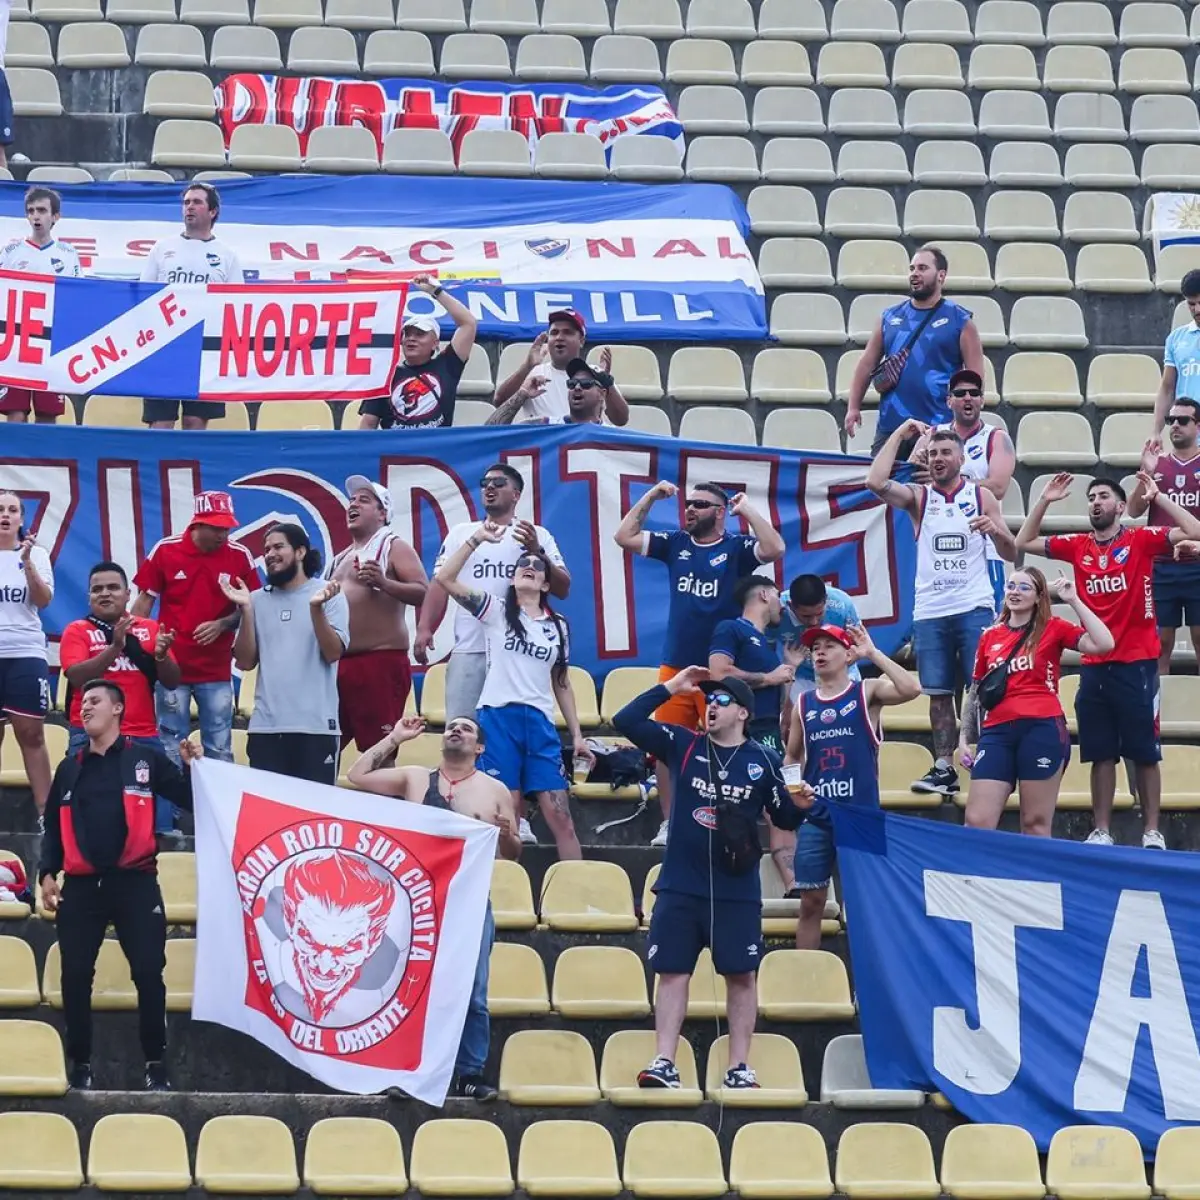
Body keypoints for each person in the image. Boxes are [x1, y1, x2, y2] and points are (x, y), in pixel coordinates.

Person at [613, 667, 813, 1089]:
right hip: (681, 885)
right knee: (672, 971)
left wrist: (802, 803)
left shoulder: (763, 760)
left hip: (735, 891)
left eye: (722, 701)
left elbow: (784, 818)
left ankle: (739, 1067)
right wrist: (671, 688)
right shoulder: (683, 744)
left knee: (741, 976)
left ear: (743, 712)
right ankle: (664, 1061)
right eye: (708, 701)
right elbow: (625, 720)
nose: (711, 707)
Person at [1017, 472, 1200, 848]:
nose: (1095, 502)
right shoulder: (1077, 545)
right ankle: (1101, 830)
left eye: (1103, 496)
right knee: (1101, 753)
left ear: (1120, 506)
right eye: (1091, 498)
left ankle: (1152, 831)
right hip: (1095, 665)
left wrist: (1157, 497)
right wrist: (1045, 500)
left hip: (1139, 663)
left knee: (1145, 752)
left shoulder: (1141, 539)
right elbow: (1023, 542)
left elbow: (1195, 529)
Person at [38, 679, 202, 1091]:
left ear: (117, 709)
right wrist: (46, 873)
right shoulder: (69, 768)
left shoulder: (144, 759)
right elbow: (54, 828)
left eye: (94, 701)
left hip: (136, 883)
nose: (84, 707)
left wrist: (191, 766)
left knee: (148, 972)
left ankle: (156, 1065)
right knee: (75, 976)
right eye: (82, 702)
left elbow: (191, 799)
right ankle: (80, 1066)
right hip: (80, 887)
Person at [348, 713, 520, 1102]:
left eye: (466, 728)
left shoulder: (495, 790)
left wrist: (506, 835)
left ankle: (469, 1073)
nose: (455, 730)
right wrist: (394, 737)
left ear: (479, 747)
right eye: (451, 726)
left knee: (473, 992)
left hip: (469, 903)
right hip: (418, 902)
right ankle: (410, 1072)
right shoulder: (415, 779)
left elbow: (512, 854)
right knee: (411, 987)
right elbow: (358, 775)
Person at [614, 481, 785, 848]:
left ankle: (724, 823)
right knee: (664, 748)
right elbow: (624, 536)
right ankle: (669, 823)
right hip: (676, 666)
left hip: (719, 670)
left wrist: (747, 510)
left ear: (720, 512)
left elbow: (775, 548)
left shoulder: (736, 548)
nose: (690, 509)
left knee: (724, 746)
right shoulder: (676, 543)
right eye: (688, 503)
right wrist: (651, 497)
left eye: (700, 504)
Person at [867, 421, 1016, 796]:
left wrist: (996, 530)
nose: (938, 458)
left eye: (946, 452)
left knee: (983, 689)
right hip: (931, 609)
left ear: (961, 459)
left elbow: (1013, 551)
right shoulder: (920, 497)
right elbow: (876, 482)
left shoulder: (982, 497)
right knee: (937, 693)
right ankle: (944, 767)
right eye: (933, 453)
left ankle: (989, 759)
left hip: (974, 605)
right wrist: (900, 434)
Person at [434, 521, 589, 861]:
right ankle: (504, 887)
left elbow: (561, 682)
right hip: (498, 718)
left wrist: (577, 734)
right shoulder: (495, 611)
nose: (529, 566)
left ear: (546, 583)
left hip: (540, 723)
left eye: (536, 565)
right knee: (507, 816)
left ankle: (578, 886)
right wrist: (476, 539)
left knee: (562, 818)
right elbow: (445, 578)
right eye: (522, 564)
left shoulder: (558, 626)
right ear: (512, 578)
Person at [414, 465, 569, 760]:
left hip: (517, 654)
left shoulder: (536, 534)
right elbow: (439, 583)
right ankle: (459, 790)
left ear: (516, 494)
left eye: (499, 482)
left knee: (509, 744)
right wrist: (424, 627)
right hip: (470, 648)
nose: (489, 487)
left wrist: (537, 551)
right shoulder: (462, 533)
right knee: (460, 737)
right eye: (485, 482)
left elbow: (563, 588)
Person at [784, 625, 920, 950]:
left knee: (867, 905)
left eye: (829, 645)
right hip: (818, 817)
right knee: (811, 904)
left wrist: (872, 653)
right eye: (815, 647)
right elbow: (791, 756)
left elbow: (912, 688)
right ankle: (807, 974)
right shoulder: (803, 703)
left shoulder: (867, 691)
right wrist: (794, 791)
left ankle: (870, 976)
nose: (819, 651)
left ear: (848, 655)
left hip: (860, 816)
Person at [960, 569, 1114, 837]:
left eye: (1024, 588)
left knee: (1035, 823)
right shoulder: (990, 636)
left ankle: (1034, 867)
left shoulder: (1054, 627)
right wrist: (964, 737)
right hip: (997, 731)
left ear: (1039, 596)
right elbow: (975, 692)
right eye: (1011, 586)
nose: (1015, 592)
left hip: (1041, 728)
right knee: (977, 821)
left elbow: (1104, 643)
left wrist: (1074, 600)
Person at [132, 491, 260, 780]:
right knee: (170, 744)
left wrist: (223, 623)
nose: (223, 534)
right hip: (171, 669)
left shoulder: (239, 555)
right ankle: (173, 806)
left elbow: (253, 606)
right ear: (197, 524)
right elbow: (143, 605)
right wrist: (141, 651)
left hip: (215, 669)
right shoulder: (166, 550)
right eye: (216, 527)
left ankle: (218, 805)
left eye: (227, 527)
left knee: (219, 747)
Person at [59, 562, 181, 832]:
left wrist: (161, 657)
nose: (105, 593)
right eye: (97, 589)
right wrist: (115, 647)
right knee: (88, 824)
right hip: (89, 736)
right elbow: (77, 678)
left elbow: (172, 681)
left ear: (128, 594)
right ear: (89, 597)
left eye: (113, 588)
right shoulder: (77, 630)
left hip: (143, 734)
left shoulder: (150, 628)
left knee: (158, 827)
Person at [222, 524, 348, 784]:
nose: (269, 554)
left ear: (300, 552)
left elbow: (333, 652)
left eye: (278, 547)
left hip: (316, 728)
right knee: (267, 809)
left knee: (314, 808)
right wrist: (246, 610)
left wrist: (315, 609)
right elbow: (245, 662)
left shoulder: (329, 593)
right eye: (266, 549)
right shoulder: (255, 599)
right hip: (266, 729)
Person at [845, 246, 984, 457]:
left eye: (922, 268)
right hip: (892, 426)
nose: (915, 273)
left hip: (938, 427)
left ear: (941, 275)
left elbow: (975, 378)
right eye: (912, 268)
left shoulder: (960, 321)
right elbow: (866, 363)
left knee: (932, 478)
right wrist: (853, 407)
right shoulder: (889, 317)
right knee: (881, 477)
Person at [326, 477, 427, 751]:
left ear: (383, 513)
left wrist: (384, 583)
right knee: (325, 748)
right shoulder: (340, 558)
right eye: (352, 500)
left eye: (364, 500)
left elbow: (423, 592)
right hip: (339, 665)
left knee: (379, 751)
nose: (353, 505)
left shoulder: (393, 546)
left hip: (378, 662)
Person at [709, 575, 797, 890]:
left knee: (781, 807)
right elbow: (718, 672)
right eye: (777, 595)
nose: (781, 604)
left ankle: (794, 885)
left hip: (770, 731)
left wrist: (788, 669)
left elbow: (776, 695)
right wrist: (769, 677)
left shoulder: (767, 645)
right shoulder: (731, 629)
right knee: (733, 807)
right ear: (763, 594)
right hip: (742, 732)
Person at [139, 183, 243, 430]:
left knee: (195, 422)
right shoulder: (162, 249)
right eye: (186, 202)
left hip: (204, 349)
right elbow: (144, 296)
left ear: (213, 211)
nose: (189, 207)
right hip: (164, 346)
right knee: (161, 422)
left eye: (197, 202)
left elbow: (237, 305)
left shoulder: (227, 255)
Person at [911, 368, 1016, 609]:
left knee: (987, 616)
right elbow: (912, 479)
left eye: (974, 393)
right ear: (949, 401)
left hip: (982, 544)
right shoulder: (931, 436)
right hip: (935, 544)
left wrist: (949, 481)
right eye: (960, 393)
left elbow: (999, 487)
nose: (968, 397)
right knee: (934, 612)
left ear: (982, 400)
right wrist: (915, 461)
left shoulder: (996, 438)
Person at [1126, 406, 1200, 674]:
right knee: (1160, 642)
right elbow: (1133, 510)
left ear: (1198, 426)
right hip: (1160, 565)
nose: (1175, 425)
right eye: (1171, 420)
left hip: (1197, 564)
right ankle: (1159, 699)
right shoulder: (1158, 463)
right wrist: (1145, 474)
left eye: (1183, 420)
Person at [0, 187, 82, 424]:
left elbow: (78, 298)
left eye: (42, 211)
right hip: (16, 343)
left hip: (52, 344)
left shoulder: (68, 254)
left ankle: (45, 452)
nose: (36, 216)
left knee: (48, 414)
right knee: (15, 413)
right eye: (31, 211)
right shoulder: (10, 252)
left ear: (55, 216)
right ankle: (13, 452)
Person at [357, 274, 478, 430]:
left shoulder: (447, 365)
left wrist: (436, 291)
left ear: (435, 343)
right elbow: (368, 423)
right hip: (395, 445)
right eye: (407, 334)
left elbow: (468, 323)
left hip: (436, 445)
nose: (411, 338)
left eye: (420, 334)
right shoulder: (385, 375)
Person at [0, 490, 53, 813]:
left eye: (12, 510)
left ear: (21, 519)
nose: (5, 515)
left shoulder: (37, 554)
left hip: (25, 652)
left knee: (31, 734)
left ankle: (47, 817)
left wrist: (27, 562)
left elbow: (43, 600)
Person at [492, 310, 630, 425]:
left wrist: (607, 383)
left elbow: (621, 420)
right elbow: (499, 402)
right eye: (554, 332)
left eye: (567, 332)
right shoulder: (532, 373)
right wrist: (527, 366)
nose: (559, 337)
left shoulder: (594, 373)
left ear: (581, 341)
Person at [487, 357, 610, 426]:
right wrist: (522, 393)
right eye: (572, 383)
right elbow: (489, 432)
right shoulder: (545, 426)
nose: (577, 387)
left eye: (586, 383)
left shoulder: (613, 437)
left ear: (602, 394)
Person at [1154, 270, 1200, 435]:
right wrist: (1156, 432)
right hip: (1187, 436)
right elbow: (1167, 389)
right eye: (1191, 304)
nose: (1197, 309)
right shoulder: (1176, 339)